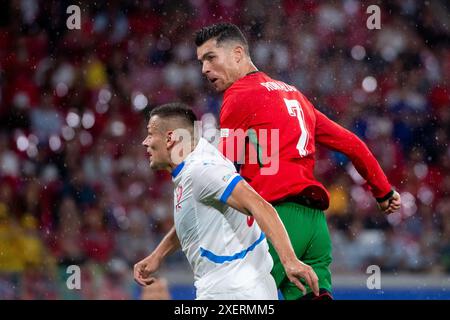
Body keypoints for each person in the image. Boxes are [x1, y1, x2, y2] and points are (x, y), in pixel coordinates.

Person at [195, 23, 402, 300]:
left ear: (237, 53)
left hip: (277, 219)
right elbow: (353, 145)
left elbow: (225, 173)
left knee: (228, 299)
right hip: (315, 224)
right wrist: (384, 191)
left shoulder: (238, 96)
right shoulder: (296, 96)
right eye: (201, 62)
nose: (204, 69)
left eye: (211, 57)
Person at [133, 103, 319, 300]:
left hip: (233, 291)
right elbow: (193, 219)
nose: (145, 142)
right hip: (240, 286)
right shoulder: (195, 163)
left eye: (150, 134)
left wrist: (289, 260)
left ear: (170, 138)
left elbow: (259, 205)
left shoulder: (201, 170)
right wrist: (158, 255)